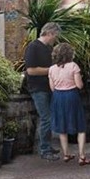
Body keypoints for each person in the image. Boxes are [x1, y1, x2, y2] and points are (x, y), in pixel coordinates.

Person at [48, 42, 90, 166]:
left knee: (62, 127)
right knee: (80, 126)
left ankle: (66, 154)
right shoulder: (73, 66)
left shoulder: (51, 69)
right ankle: (82, 156)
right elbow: (79, 85)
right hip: (71, 96)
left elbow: (52, 87)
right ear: (69, 54)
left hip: (57, 97)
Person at [24, 22, 62, 161]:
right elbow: (31, 70)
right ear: (50, 33)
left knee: (49, 117)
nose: (55, 39)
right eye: (55, 36)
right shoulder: (33, 47)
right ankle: (45, 149)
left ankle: (47, 146)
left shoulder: (48, 48)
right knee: (46, 117)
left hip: (48, 87)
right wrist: (52, 70)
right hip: (38, 88)